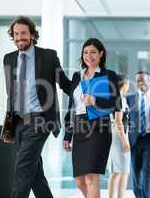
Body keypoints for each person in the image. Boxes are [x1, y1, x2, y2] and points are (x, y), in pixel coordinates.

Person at [2, 16, 72, 198]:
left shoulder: (48, 56)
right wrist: (8, 128)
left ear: (32, 34)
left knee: (22, 168)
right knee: (34, 173)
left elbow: (64, 83)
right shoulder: (8, 59)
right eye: (16, 34)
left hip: (40, 121)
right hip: (18, 123)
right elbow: (12, 95)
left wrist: (85, 88)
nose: (19, 38)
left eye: (23, 33)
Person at [63, 38, 121, 198]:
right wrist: (67, 135)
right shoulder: (77, 76)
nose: (89, 56)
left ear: (101, 54)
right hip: (80, 129)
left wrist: (95, 101)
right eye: (85, 52)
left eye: (93, 52)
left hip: (99, 129)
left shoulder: (108, 75)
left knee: (91, 178)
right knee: (79, 181)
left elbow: (116, 105)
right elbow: (72, 108)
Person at [127, 71, 150, 198]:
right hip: (134, 140)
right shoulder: (129, 98)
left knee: (149, 173)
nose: (140, 83)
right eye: (138, 80)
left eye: (143, 80)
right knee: (136, 174)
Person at [108, 74, 131, 198]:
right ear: (123, 84)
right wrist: (124, 141)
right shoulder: (119, 99)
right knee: (121, 171)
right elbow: (118, 121)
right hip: (119, 136)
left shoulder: (117, 98)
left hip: (116, 134)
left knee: (117, 171)